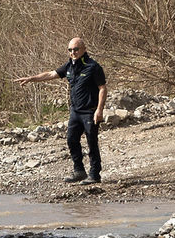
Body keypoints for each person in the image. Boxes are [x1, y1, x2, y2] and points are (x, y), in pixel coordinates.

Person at [18, 36, 108, 185]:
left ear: (83, 50)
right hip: (75, 111)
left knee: (92, 142)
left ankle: (94, 174)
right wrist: (31, 79)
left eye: (76, 49)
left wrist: (99, 110)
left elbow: (102, 88)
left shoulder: (93, 67)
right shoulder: (69, 66)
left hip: (89, 111)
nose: (73, 52)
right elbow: (51, 74)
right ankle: (79, 171)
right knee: (71, 140)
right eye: (70, 50)